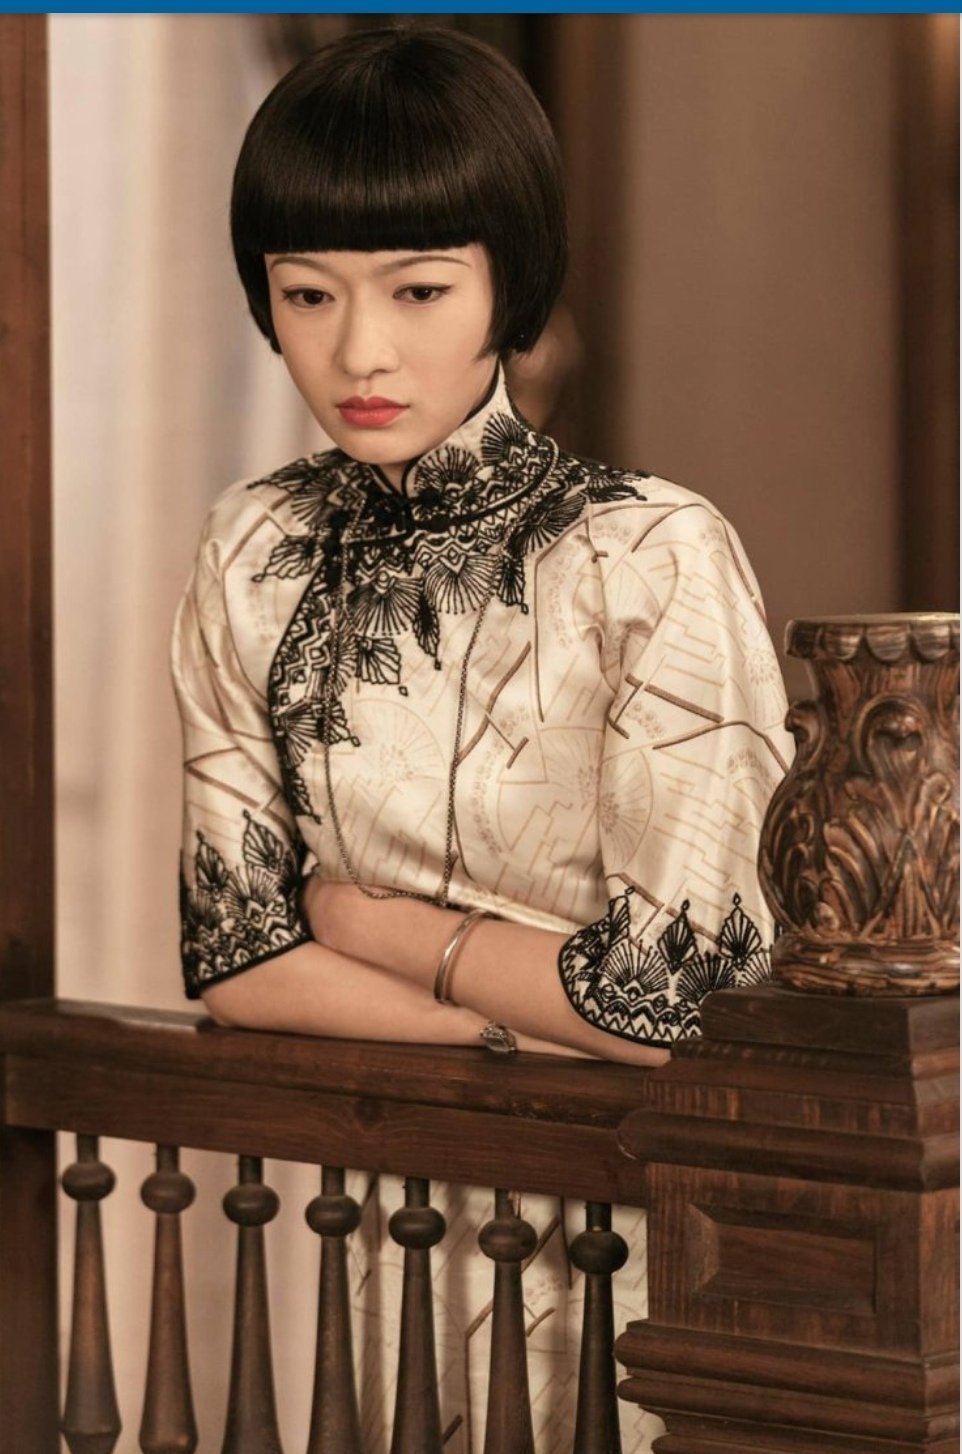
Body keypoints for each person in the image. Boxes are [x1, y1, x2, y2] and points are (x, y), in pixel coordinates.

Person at [171, 25, 792, 1450]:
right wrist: (514, 1017)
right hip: (375, 1228)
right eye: (307, 293)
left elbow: (682, 1001)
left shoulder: (650, 553)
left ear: (511, 282)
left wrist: (372, 925)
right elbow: (238, 958)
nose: (358, 351)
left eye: (420, 289)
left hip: (633, 1235)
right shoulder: (251, 550)